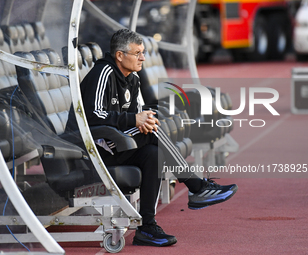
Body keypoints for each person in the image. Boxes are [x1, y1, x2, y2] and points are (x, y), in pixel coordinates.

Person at [66, 29, 238, 247]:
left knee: (154, 154)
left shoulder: (133, 78)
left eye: (143, 52)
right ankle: (196, 187)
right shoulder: (104, 73)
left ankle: (147, 227)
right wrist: (134, 120)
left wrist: (145, 118)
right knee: (154, 133)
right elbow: (92, 115)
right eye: (137, 53)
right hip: (91, 148)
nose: (143, 58)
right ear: (120, 55)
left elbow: (138, 113)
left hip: (114, 143)